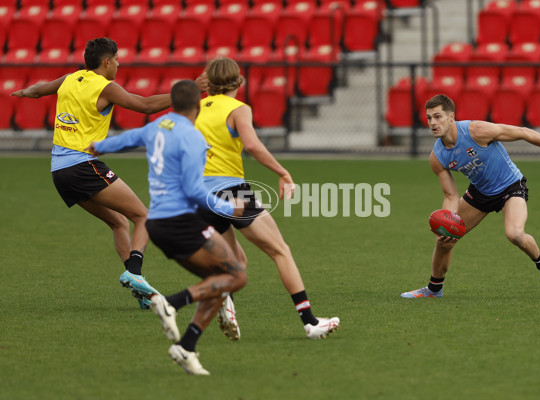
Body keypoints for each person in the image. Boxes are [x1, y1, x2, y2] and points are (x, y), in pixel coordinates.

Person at [87, 80, 247, 376]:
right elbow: (194, 191)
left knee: (218, 281)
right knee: (236, 275)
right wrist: (229, 208)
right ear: (197, 106)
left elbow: (131, 137)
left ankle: (185, 348)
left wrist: (100, 146)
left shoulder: (159, 126)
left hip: (157, 223)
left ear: (173, 104)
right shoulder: (193, 138)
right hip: (180, 222)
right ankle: (170, 303)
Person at [11, 38, 171, 309]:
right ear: (106, 61)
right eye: (117, 59)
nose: (119, 64)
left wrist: (25, 92)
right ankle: (134, 272)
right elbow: (146, 106)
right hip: (83, 166)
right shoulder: (106, 87)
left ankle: (139, 289)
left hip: (59, 172)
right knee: (143, 216)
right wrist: (186, 95)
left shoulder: (70, 79)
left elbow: (40, 90)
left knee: (119, 222)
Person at [194, 56, 339, 340]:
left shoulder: (194, 109)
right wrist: (283, 172)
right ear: (239, 81)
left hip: (199, 193)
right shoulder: (238, 109)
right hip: (231, 190)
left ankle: (227, 304)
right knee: (280, 250)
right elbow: (252, 145)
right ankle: (310, 322)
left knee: (236, 261)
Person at [401, 94, 540, 299]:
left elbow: (522, 132)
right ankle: (433, 290)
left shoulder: (477, 131)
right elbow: (450, 195)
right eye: (429, 117)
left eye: (438, 116)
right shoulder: (437, 157)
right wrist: (449, 221)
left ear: (451, 117)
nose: (432, 122)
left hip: (510, 186)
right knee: (444, 241)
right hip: (480, 193)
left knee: (514, 234)